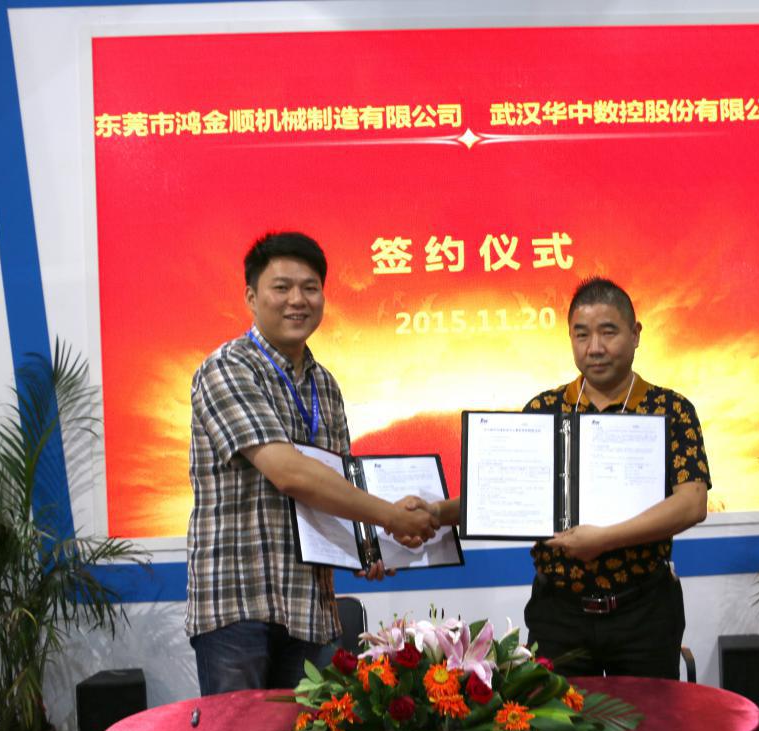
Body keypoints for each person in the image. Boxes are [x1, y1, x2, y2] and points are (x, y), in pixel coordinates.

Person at [186, 231, 439, 695]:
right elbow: (289, 474)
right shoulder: (227, 368)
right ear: (251, 297)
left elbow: (337, 482)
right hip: (239, 601)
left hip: (311, 606)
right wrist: (388, 516)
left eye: (310, 287)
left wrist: (371, 546)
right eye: (281, 287)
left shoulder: (326, 386)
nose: (297, 300)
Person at [427, 277, 710, 678]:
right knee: (556, 716)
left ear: (635, 334)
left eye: (608, 332)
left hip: (643, 611)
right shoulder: (545, 409)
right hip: (559, 612)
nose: (595, 347)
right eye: (582, 334)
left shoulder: (670, 409)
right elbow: (504, 494)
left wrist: (604, 539)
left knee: (647, 716)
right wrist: (435, 513)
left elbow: (692, 503)